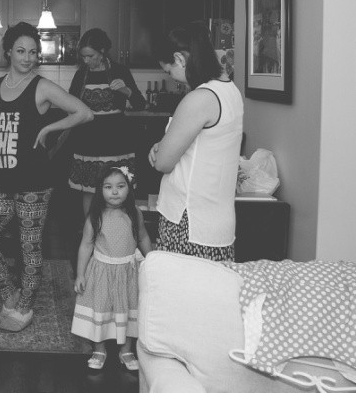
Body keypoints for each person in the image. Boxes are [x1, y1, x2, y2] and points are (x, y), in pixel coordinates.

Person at [0, 22, 94, 332]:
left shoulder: (41, 86)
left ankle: (25, 308)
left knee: (30, 248)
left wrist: (48, 128)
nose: (28, 57)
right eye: (21, 51)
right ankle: (11, 295)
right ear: (8, 53)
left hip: (34, 183)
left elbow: (84, 112)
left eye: (33, 52)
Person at [149, 21, 243, 262]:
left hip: (188, 222)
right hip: (216, 223)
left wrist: (161, 149)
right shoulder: (229, 90)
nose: (173, 79)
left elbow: (163, 164)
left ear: (180, 58)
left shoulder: (200, 98)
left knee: (178, 295)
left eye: (169, 71)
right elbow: (201, 148)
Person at [62, 28, 145, 268]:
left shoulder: (119, 71)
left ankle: (121, 239)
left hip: (117, 139)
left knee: (119, 188)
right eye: (84, 57)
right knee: (90, 191)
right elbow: (70, 104)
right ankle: (94, 238)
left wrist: (126, 91)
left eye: (90, 56)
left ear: (102, 51)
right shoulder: (81, 75)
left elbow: (139, 102)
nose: (86, 61)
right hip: (87, 139)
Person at [71, 167, 152, 372]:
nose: (114, 192)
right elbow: (86, 245)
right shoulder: (95, 216)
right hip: (102, 273)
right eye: (108, 187)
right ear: (101, 191)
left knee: (128, 308)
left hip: (127, 272)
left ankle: (126, 349)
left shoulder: (135, 213)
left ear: (129, 189)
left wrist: (152, 260)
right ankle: (99, 349)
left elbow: (142, 237)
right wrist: (80, 274)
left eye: (120, 186)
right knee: (102, 308)